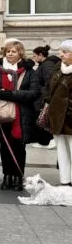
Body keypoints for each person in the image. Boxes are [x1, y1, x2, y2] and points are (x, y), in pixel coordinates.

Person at [0, 39, 40, 191]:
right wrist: (3, 94)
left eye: (14, 51)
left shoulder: (29, 71)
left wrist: (10, 94)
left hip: (22, 114)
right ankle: (7, 176)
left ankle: (18, 176)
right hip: (3, 113)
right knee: (5, 146)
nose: (10, 54)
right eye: (8, 51)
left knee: (19, 146)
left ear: (20, 53)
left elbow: (34, 93)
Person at [46, 40, 72, 186]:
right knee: (61, 151)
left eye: (65, 52)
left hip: (70, 117)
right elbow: (49, 90)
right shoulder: (58, 68)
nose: (61, 54)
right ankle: (65, 180)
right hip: (56, 116)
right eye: (61, 51)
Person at [32, 45, 61, 149]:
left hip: (44, 97)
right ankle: (44, 141)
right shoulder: (44, 64)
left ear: (40, 55)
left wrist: (45, 98)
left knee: (44, 119)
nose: (33, 58)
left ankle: (50, 140)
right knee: (43, 119)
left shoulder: (47, 64)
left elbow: (49, 82)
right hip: (42, 97)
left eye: (34, 56)